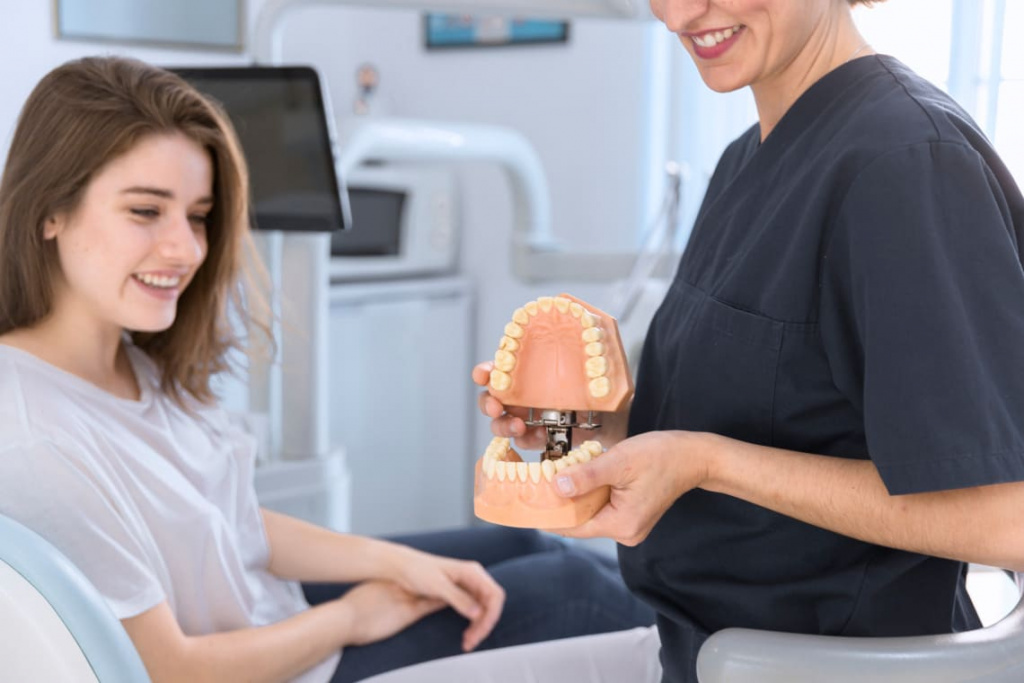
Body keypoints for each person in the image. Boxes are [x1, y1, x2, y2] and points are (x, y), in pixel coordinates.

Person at [361, 0, 1024, 681]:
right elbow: (763, 414)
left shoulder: (906, 164)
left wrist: (708, 461)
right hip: (687, 642)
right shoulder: (748, 158)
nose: (679, 14)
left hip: (811, 662)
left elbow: (1008, 519)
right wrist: (588, 426)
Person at [0, 56, 655, 683]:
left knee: (542, 552)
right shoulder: (37, 437)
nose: (186, 247)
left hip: (271, 611)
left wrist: (397, 563)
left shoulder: (134, 365)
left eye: (198, 217)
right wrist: (349, 616)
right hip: (272, 664)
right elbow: (168, 669)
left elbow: (231, 523)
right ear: (50, 210)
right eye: (145, 210)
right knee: (579, 595)